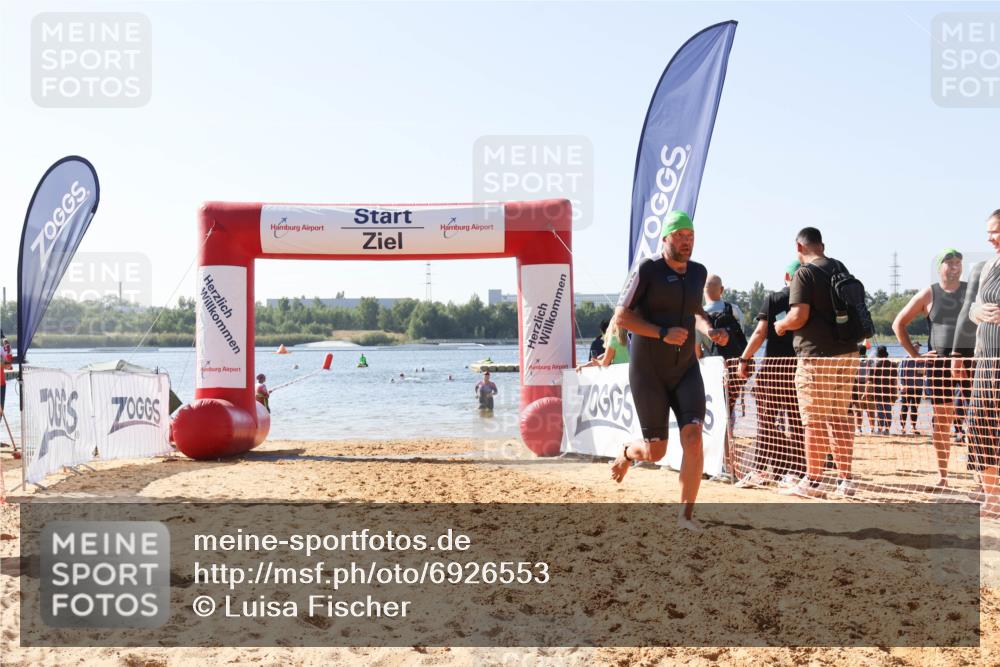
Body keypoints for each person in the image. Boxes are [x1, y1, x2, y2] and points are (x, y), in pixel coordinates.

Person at [613, 210, 729, 530]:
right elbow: (622, 317)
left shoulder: (697, 272)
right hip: (649, 370)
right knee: (655, 450)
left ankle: (685, 516)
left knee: (693, 438)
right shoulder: (647, 269)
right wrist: (662, 333)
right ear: (665, 238)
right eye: (680, 236)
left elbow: (695, 310)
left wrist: (710, 329)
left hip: (684, 369)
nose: (686, 242)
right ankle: (627, 451)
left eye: (690, 236)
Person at [774, 227, 862, 499]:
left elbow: (799, 316)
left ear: (798, 247)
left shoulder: (804, 273)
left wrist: (781, 325)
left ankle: (813, 481)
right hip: (848, 351)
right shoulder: (839, 266)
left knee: (814, 420)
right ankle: (845, 480)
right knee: (840, 416)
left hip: (816, 356)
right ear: (821, 245)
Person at [892, 249, 966, 485]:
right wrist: (915, 355)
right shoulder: (929, 293)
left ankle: (984, 475)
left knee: (980, 418)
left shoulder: (970, 291)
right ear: (940, 267)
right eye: (949, 263)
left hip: (971, 361)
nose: (954, 267)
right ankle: (943, 475)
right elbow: (898, 324)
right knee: (942, 420)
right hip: (939, 364)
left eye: (958, 263)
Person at [736, 260, 806, 488]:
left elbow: (759, 332)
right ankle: (797, 472)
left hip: (774, 370)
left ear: (787, 275)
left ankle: (759, 470)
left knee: (766, 422)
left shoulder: (774, 299)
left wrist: (745, 358)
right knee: (798, 423)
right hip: (801, 369)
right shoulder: (810, 301)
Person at [968, 210, 1000, 516]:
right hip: (985, 359)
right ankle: (993, 498)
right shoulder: (989, 265)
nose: (990, 238)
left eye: (995, 231)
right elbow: (971, 310)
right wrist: (979, 314)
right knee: (981, 426)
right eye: (989, 232)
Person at [701, 274, 749, 420]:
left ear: (703, 291)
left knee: (714, 406)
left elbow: (697, 349)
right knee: (730, 405)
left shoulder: (700, 316)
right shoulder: (734, 310)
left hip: (711, 369)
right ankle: (729, 436)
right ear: (721, 290)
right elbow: (742, 334)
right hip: (735, 366)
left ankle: (719, 439)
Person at [868, 346, 898, 436]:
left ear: (877, 355)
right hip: (889, 390)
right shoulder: (893, 365)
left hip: (878, 391)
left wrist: (866, 392)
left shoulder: (874, 365)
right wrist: (895, 392)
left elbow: (870, 381)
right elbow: (895, 380)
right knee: (888, 410)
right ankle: (887, 430)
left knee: (880, 411)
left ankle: (880, 429)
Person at [898, 345, 926, 435]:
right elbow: (901, 373)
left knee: (915, 408)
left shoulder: (921, 359)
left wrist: (924, 387)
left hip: (917, 387)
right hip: (906, 387)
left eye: (918, 347)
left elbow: (923, 372)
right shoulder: (905, 359)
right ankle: (902, 427)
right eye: (915, 347)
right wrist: (902, 384)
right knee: (904, 407)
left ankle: (913, 427)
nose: (917, 349)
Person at [850, 345, 872, 435]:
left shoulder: (856, 360)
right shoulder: (869, 361)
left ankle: (858, 429)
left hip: (857, 385)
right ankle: (872, 429)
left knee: (857, 409)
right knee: (869, 409)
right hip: (867, 385)